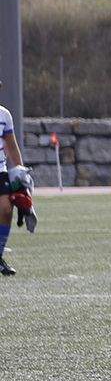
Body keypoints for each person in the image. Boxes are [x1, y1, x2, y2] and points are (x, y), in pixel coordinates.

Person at [0, 91, 24, 277]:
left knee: (7, 209)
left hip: (0, 170)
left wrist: (21, 173)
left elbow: (12, 146)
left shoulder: (4, 114)